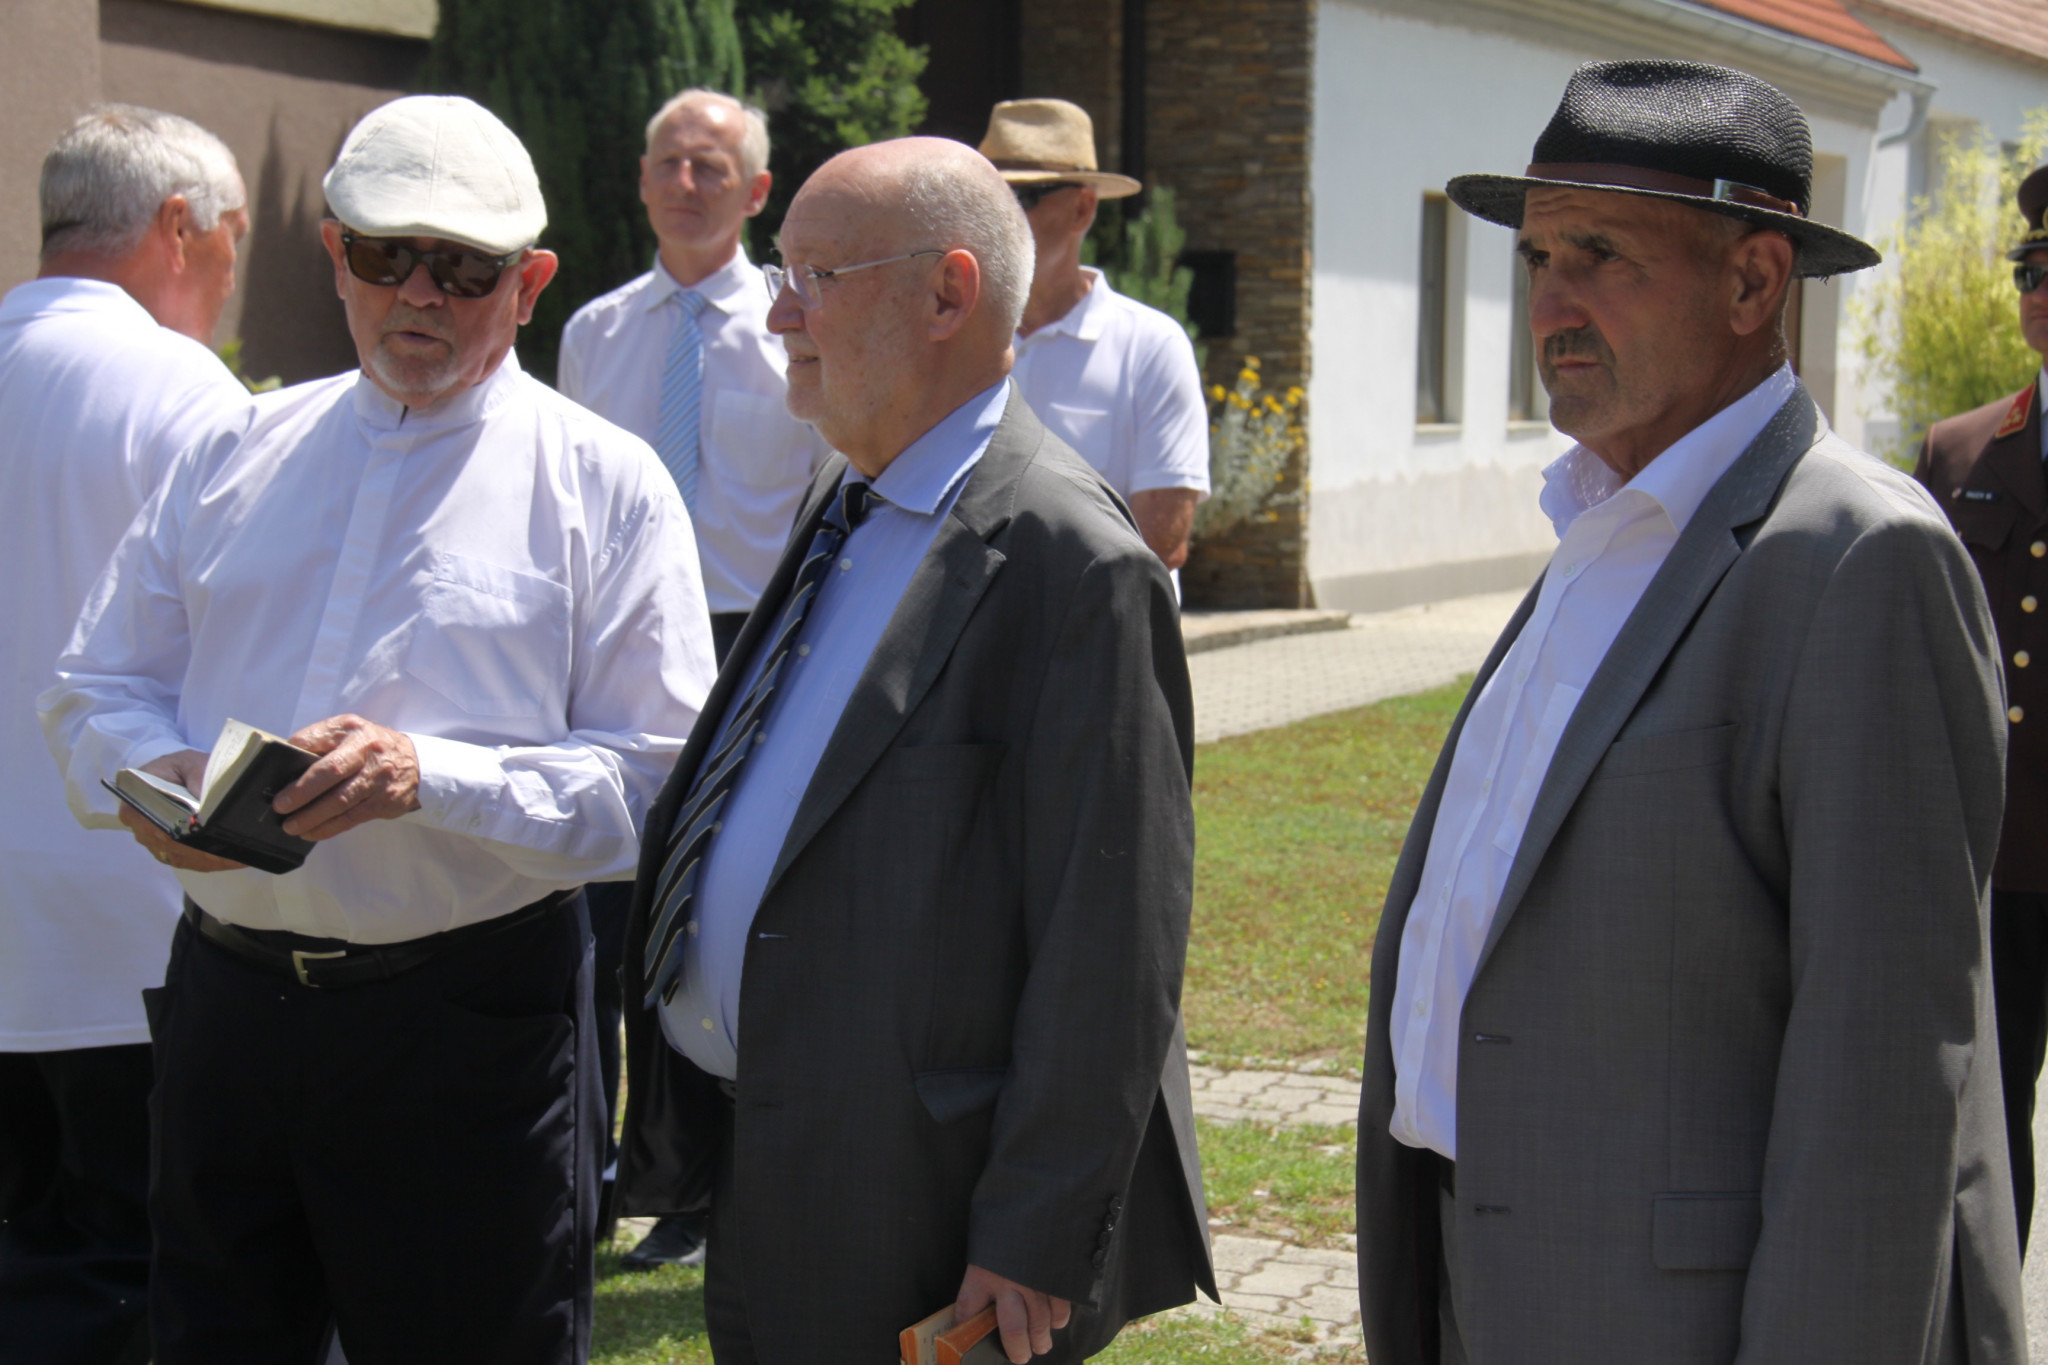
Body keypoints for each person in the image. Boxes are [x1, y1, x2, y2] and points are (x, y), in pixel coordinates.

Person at [1355, 60, 2022, 1362]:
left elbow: (1885, 1074)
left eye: (1599, 254)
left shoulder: (1857, 557)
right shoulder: (1603, 525)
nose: (1550, 303)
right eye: (1537, 256)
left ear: (1753, 282)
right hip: (1479, 1274)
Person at [39, 94, 716, 1364]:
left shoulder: (605, 483)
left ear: (530, 283)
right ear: (333, 256)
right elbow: (94, 683)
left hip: (466, 1026)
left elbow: (658, 787)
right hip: (230, 1006)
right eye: (385, 254)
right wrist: (150, 778)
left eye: (462, 268)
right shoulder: (233, 445)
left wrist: (430, 777)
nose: (418, 294)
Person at [614, 137, 1215, 1365]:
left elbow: (1112, 942)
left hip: (923, 1206)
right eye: (780, 275)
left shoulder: (1072, 564)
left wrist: (1035, 1229)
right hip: (767, 1159)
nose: (777, 313)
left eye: (815, 278)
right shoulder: (845, 498)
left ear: (947, 293)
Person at [557, 87, 827, 1270]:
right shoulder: (593, 331)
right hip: (612, 643)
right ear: (640, 178)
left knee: (715, 915)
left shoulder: (795, 324)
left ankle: (701, 1179)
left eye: (711, 165)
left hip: (746, 640)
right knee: (600, 909)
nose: (685, 182)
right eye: (667, 161)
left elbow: (828, 492)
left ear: (757, 190)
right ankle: (589, 1175)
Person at [0, 104, 251, 1365]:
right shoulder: (177, 388)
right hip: (128, 920)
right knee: (133, 1274)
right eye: (235, 238)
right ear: (180, 225)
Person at [1915, 160, 2048, 1254]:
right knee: (1989, 1130)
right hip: (2000, 857)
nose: (2038, 292)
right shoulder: (1958, 452)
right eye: (2028, 272)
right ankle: (1994, 1317)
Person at [978, 98, 1209, 574]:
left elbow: (1161, 541)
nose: (995, 215)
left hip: (1103, 620)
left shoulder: (1151, 347)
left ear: (1082, 209)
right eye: (984, 195)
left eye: (1021, 196)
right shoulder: (952, 339)